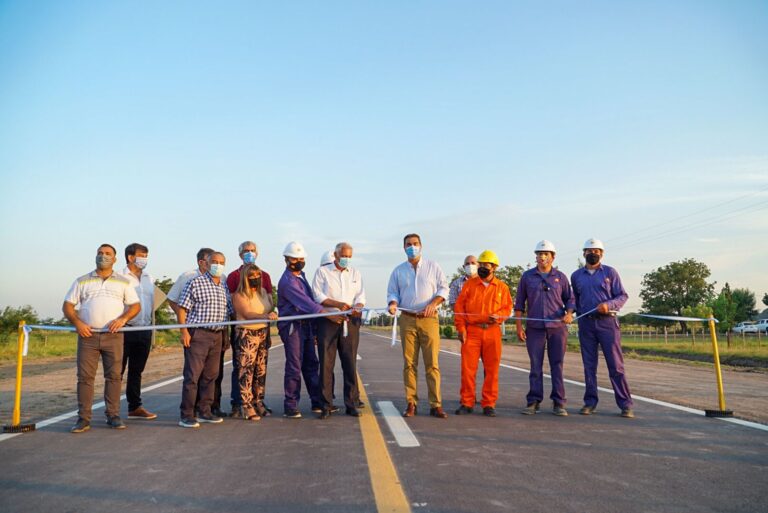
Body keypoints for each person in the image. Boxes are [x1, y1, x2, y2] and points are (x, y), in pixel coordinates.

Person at [64, 244, 141, 433]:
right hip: (88, 336)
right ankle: (83, 419)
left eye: (108, 254)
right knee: (85, 378)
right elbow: (67, 306)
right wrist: (77, 322)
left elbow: (135, 306)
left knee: (114, 376)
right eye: (100, 253)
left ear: (114, 259)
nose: (103, 256)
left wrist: (123, 319)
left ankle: (113, 415)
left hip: (113, 336)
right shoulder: (81, 281)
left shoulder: (124, 282)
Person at [387, 233, 450, 418]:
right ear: (403, 248)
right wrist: (392, 303)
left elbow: (443, 288)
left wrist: (434, 303)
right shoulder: (398, 271)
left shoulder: (433, 267)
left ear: (421, 246)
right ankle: (411, 402)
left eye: (415, 244)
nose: (412, 247)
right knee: (409, 364)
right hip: (407, 319)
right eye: (408, 244)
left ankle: (435, 404)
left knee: (432, 364)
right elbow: (393, 292)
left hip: (429, 319)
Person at [570, 238, 634, 418]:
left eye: (596, 251)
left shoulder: (610, 273)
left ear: (602, 253)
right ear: (583, 254)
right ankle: (590, 402)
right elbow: (574, 298)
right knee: (589, 365)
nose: (593, 254)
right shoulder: (576, 276)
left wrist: (609, 305)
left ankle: (625, 404)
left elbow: (622, 296)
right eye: (589, 251)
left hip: (607, 323)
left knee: (616, 365)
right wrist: (568, 312)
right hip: (586, 324)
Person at [514, 240, 575, 416]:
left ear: (552, 257)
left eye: (546, 254)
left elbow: (570, 299)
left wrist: (569, 313)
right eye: (539, 254)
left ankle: (559, 402)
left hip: (557, 327)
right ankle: (533, 400)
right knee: (535, 365)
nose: (542, 257)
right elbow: (519, 304)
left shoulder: (561, 277)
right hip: (534, 328)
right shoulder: (527, 277)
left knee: (557, 364)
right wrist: (519, 327)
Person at [176, 251, 234, 428]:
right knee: (192, 376)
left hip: (217, 335)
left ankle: (205, 411)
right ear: (206, 264)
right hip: (198, 334)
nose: (218, 265)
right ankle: (187, 414)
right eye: (214, 261)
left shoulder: (224, 286)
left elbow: (229, 312)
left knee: (211, 376)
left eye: (221, 262)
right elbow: (182, 308)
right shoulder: (195, 282)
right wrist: (184, 332)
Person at [454, 250, 512, 417]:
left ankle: (489, 403)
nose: (481, 268)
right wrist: (461, 329)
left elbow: (507, 308)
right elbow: (459, 308)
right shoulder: (469, 285)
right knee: (467, 370)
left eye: (486, 265)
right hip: (472, 332)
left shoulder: (501, 287)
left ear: (494, 267)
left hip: (492, 331)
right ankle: (467, 402)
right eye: (480, 265)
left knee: (492, 370)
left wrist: (499, 316)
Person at [311, 242, 366, 418]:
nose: (346, 259)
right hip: (328, 322)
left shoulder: (355, 273)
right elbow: (317, 296)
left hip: (350, 322)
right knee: (327, 364)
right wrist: (338, 305)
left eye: (349, 256)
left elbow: (360, 295)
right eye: (343, 256)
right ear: (335, 255)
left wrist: (358, 305)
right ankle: (326, 405)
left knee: (350, 363)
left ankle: (351, 403)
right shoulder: (322, 272)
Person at [277, 241, 328, 418]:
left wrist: (314, 330)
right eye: (294, 258)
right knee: (294, 366)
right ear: (286, 259)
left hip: (305, 326)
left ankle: (317, 401)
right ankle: (290, 405)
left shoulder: (301, 277)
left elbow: (311, 299)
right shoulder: (288, 281)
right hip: (293, 327)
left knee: (311, 364)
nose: (299, 261)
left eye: (301, 258)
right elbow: (307, 304)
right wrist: (325, 313)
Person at [225, 241, 274, 418]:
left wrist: (271, 314)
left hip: (262, 332)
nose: (256, 277)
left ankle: (258, 401)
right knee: (244, 369)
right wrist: (264, 316)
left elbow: (270, 304)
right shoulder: (234, 281)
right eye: (246, 251)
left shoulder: (264, 284)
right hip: (245, 332)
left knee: (260, 370)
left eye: (253, 250)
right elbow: (244, 311)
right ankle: (242, 404)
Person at [120, 243, 158, 420]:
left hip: (144, 330)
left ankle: (135, 407)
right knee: (116, 372)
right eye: (142, 255)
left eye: (146, 255)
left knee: (136, 371)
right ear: (130, 257)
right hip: (123, 330)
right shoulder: (119, 276)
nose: (145, 259)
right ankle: (111, 410)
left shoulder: (149, 278)